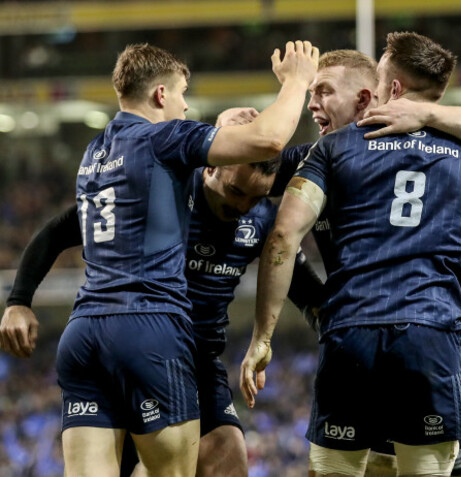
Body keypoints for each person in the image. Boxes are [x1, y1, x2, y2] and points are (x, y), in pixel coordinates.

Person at [0, 40, 319, 476]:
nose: (188, 108)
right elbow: (270, 139)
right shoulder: (169, 147)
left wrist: (18, 300)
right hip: (153, 332)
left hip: (88, 330)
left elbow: (292, 159)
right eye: (183, 95)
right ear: (161, 95)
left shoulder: (98, 152)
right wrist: (298, 80)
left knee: (225, 454)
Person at [241, 32, 461, 477]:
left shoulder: (334, 151)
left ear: (391, 91)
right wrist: (434, 265)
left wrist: (262, 337)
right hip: (434, 339)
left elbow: (282, 237)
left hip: (352, 333)